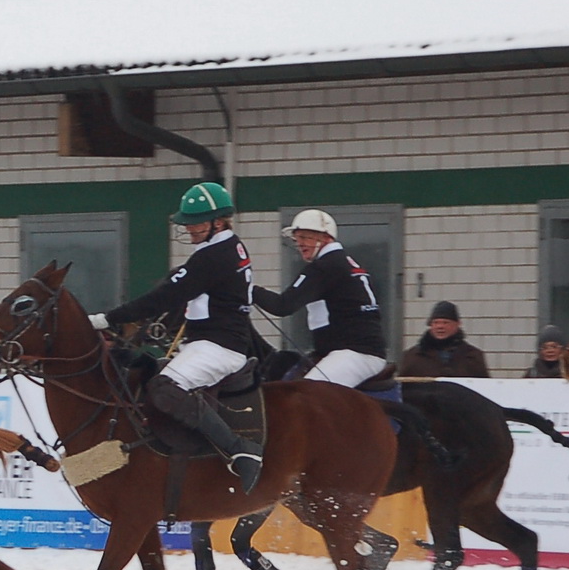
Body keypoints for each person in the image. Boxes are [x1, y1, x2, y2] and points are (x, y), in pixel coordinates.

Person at [89, 181, 264, 493]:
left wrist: (107, 318)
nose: (190, 229)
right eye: (188, 223)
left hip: (219, 346)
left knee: (165, 388)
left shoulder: (212, 256)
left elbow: (163, 298)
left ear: (218, 222)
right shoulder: (228, 245)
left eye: (195, 223)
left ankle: (240, 449)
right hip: (208, 341)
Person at [251, 208, 389, 387]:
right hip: (351, 351)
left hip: (355, 353)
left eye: (306, 237)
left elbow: (283, 306)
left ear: (326, 237)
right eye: (297, 239)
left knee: (306, 396)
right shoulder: (342, 261)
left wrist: (248, 289)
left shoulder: (325, 266)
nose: (300, 243)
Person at [399, 301, 490, 378]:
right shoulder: (413, 356)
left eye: (445, 323)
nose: (440, 327)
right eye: (436, 322)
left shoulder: (473, 356)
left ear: (458, 324)